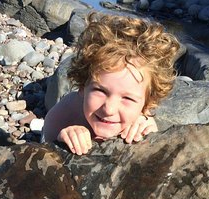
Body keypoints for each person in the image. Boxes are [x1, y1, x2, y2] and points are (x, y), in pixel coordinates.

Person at [43, 12, 180, 155]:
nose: (109, 109)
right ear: (83, 86)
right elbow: (43, 156)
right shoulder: (63, 116)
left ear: (147, 104)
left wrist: (150, 140)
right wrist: (61, 141)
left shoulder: (143, 126)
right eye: (100, 91)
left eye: (128, 98)